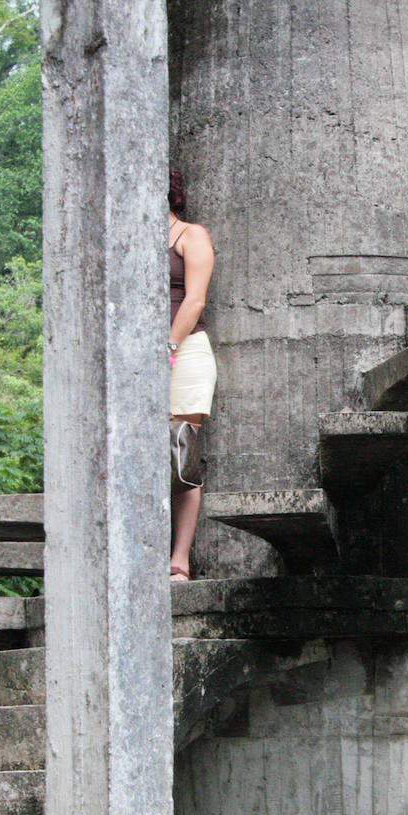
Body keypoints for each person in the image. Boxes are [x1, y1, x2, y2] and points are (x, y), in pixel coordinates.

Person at [168, 169, 217, 581]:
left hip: (183, 353)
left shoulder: (189, 234)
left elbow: (195, 298)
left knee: (181, 454)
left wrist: (167, 346)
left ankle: (179, 559)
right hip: (134, 359)